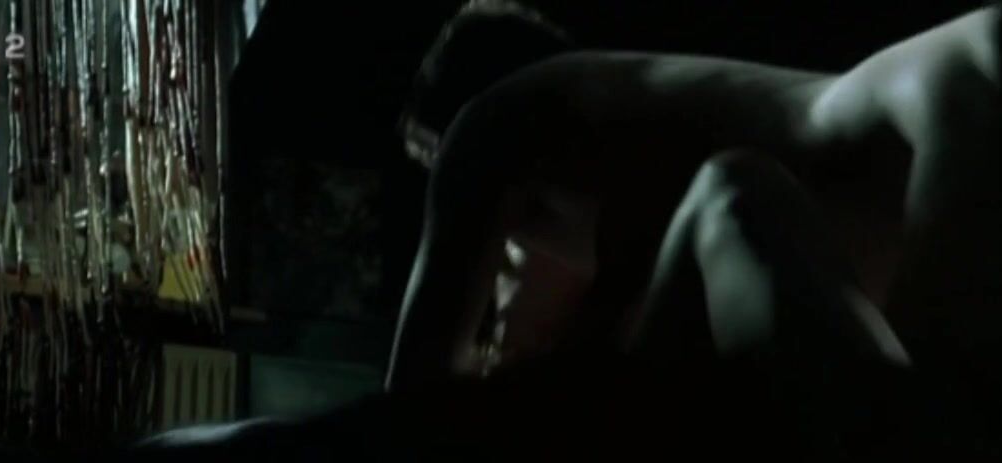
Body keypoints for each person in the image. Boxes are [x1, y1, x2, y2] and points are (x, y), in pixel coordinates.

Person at [386, 0, 1000, 393]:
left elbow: (416, 390)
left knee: (926, 429)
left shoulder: (488, 125)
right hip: (954, 78)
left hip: (953, 100)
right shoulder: (615, 132)